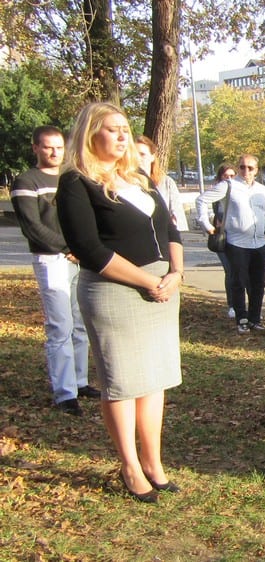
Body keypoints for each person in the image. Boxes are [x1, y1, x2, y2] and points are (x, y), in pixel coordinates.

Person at [56, 102, 184, 503]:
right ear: (91, 133)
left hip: (161, 287)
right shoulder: (77, 182)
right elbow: (88, 248)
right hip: (115, 291)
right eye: (112, 129)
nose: (122, 136)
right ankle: (130, 466)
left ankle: (154, 461)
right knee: (124, 381)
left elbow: (171, 227)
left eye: (125, 129)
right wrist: (149, 280)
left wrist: (175, 274)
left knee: (155, 378)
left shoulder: (138, 177)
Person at [11, 125, 94, 415]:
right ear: (35, 148)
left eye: (59, 147)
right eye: (48, 147)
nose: (54, 152)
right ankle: (65, 393)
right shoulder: (27, 181)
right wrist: (67, 248)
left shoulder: (72, 177)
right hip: (52, 259)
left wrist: (82, 249)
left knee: (80, 323)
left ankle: (80, 381)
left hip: (78, 259)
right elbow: (33, 227)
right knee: (60, 327)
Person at [196, 154, 265, 334]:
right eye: (242, 167)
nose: (245, 171)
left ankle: (255, 318)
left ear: (256, 170)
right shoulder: (229, 186)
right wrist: (207, 225)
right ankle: (242, 318)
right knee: (238, 281)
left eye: (250, 168)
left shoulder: (262, 190)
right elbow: (202, 200)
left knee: (258, 283)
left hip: (258, 243)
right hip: (236, 243)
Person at [135, 136, 189, 232]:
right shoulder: (122, 184)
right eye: (133, 155)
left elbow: (177, 217)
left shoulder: (166, 183)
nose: (138, 159)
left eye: (142, 154)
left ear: (152, 157)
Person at [211, 165, 238, 318]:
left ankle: (243, 304)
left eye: (232, 176)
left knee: (240, 272)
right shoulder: (218, 193)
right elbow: (217, 213)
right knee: (230, 271)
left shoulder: (240, 193)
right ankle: (232, 305)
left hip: (238, 239)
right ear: (220, 178)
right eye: (226, 176)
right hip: (223, 238)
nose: (229, 179)